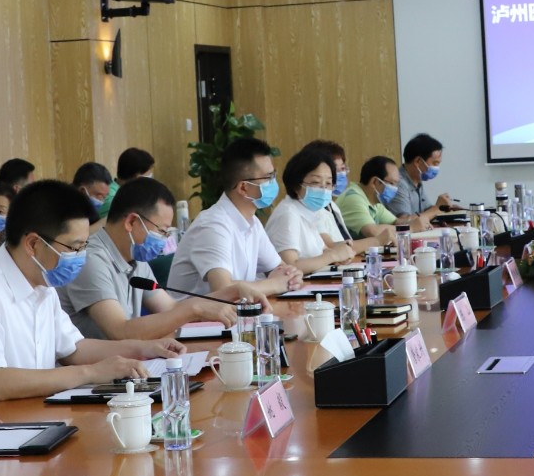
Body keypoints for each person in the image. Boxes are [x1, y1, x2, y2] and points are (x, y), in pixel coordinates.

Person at [0, 180, 181, 406]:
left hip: (33, 418)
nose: (81, 257)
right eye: (74, 247)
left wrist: (145, 349)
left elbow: (75, 348)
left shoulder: (42, 283)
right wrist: (91, 373)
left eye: (84, 246)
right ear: (33, 244)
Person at [60, 177, 240, 340]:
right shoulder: (90, 260)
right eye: (161, 231)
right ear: (131, 222)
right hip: (95, 364)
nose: (164, 239)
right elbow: (120, 331)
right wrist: (195, 310)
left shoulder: (136, 258)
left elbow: (171, 309)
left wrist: (234, 292)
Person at [166, 137, 303, 299]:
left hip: (234, 312)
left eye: (274, 175)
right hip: (197, 315)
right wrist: (275, 284)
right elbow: (223, 290)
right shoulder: (212, 225)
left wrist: (291, 276)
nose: (273, 183)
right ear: (244, 188)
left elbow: (279, 269)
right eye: (268, 177)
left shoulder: (252, 222)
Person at [266, 145, 357, 274]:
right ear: (296, 185)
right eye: (315, 182)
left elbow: (323, 252)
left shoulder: (309, 212)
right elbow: (289, 266)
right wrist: (333, 256)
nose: (323, 189)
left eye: (328, 183)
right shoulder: (288, 214)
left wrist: (341, 253)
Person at [338, 155, 434, 238]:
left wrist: (416, 222)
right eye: (391, 183)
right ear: (375, 182)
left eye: (396, 184)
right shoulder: (353, 198)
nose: (395, 189)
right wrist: (411, 228)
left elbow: (396, 222)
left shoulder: (374, 201)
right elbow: (373, 231)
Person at [386, 133, 454, 220]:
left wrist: (446, 208)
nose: (436, 168)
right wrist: (437, 208)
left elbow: (426, 211)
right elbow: (404, 221)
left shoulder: (417, 181)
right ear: (418, 161)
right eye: (435, 163)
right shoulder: (397, 183)